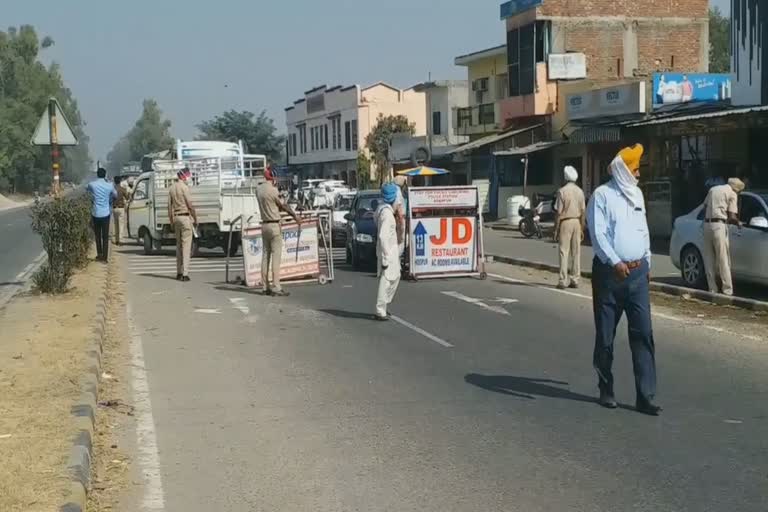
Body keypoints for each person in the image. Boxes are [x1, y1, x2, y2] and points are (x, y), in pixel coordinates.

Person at [587, 144, 661, 416]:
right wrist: (615, 262)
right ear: (623, 172)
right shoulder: (602, 195)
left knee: (643, 334)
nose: (638, 173)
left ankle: (646, 396)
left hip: (638, 274)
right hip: (610, 274)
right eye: (635, 169)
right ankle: (606, 388)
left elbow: (643, 230)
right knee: (606, 335)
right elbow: (598, 234)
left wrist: (648, 261)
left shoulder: (637, 194)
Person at [256, 166, 301, 296]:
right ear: (273, 178)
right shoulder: (273, 190)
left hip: (264, 224)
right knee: (276, 257)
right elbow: (283, 205)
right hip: (274, 225)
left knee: (265, 256)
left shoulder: (258, 189)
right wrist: (295, 216)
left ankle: (265, 286)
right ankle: (276, 286)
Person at [702, 177, 745, 296]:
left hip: (706, 225)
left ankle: (712, 289)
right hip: (719, 226)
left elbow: (705, 206)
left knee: (709, 259)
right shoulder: (732, 193)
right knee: (723, 259)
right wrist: (738, 223)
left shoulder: (713, 189)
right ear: (737, 189)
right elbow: (732, 216)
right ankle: (727, 290)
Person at [554, 166, 586, 289]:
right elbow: (583, 211)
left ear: (565, 177)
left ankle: (562, 280)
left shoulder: (562, 191)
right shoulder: (580, 191)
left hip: (565, 222)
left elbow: (558, 212)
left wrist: (556, 229)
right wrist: (582, 228)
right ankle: (575, 279)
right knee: (576, 252)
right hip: (577, 222)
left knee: (564, 251)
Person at [374, 183, 401, 321]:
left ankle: (384, 304)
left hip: (391, 249)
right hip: (388, 251)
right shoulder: (386, 214)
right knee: (386, 280)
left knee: (395, 277)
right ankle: (380, 309)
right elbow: (383, 236)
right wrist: (385, 256)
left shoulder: (386, 211)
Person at [168, 167, 197, 282]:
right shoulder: (184, 188)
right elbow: (190, 204)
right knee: (186, 246)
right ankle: (185, 273)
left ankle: (178, 272)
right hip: (185, 217)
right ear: (184, 176)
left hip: (176, 218)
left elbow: (169, 207)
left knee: (178, 246)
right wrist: (195, 218)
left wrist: (171, 221)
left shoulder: (171, 188)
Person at [87, 168, 117, 262]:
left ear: (97, 174)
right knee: (105, 236)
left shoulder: (92, 184)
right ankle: (105, 257)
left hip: (95, 213)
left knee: (97, 235)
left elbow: (86, 188)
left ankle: (99, 254)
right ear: (105, 175)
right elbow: (115, 195)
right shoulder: (109, 185)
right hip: (106, 213)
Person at [112, 177, 130, 246]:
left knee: (116, 225)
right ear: (120, 181)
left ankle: (116, 240)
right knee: (121, 225)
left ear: (114, 181)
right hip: (121, 208)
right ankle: (120, 240)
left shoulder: (112, 189)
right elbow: (127, 197)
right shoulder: (122, 189)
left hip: (114, 208)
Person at [393, 175, 408, 256]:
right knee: (402, 240)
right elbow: (399, 207)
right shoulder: (397, 191)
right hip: (400, 218)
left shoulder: (396, 190)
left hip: (399, 218)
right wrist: (401, 221)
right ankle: (397, 257)